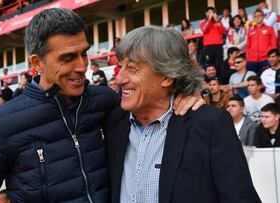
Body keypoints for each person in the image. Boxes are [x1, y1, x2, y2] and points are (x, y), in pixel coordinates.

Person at [0, 8, 202, 202]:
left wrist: (185, 93)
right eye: (67, 58)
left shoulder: (105, 101)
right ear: (37, 62)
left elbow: (154, 97)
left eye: (83, 53)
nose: (81, 66)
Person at [106, 25, 260, 203]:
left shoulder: (209, 124)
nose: (119, 79)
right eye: (120, 67)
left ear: (166, 77)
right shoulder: (113, 121)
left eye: (132, 69)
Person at [246, 9, 277, 73]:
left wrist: (272, 57)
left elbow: (273, 44)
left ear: (263, 17)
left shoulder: (269, 29)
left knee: (266, 80)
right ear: (254, 18)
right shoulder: (250, 31)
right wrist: (248, 58)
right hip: (252, 60)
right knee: (252, 80)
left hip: (266, 59)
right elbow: (248, 46)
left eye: (259, 15)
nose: (257, 17)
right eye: (255, 16)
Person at [200, 7, 225, 74]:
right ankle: (211, 81)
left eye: (213, 12)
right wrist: (209, 19)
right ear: (206, 13)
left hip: (218, 46)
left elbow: (222, 31)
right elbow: (204, 29)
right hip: (208, 47)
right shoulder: (203, 23)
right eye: (210, 12)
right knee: (210, 65)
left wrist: (218, 21)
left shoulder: (218, 21)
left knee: (219, 64)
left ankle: (219, 80)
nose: (212, 14)